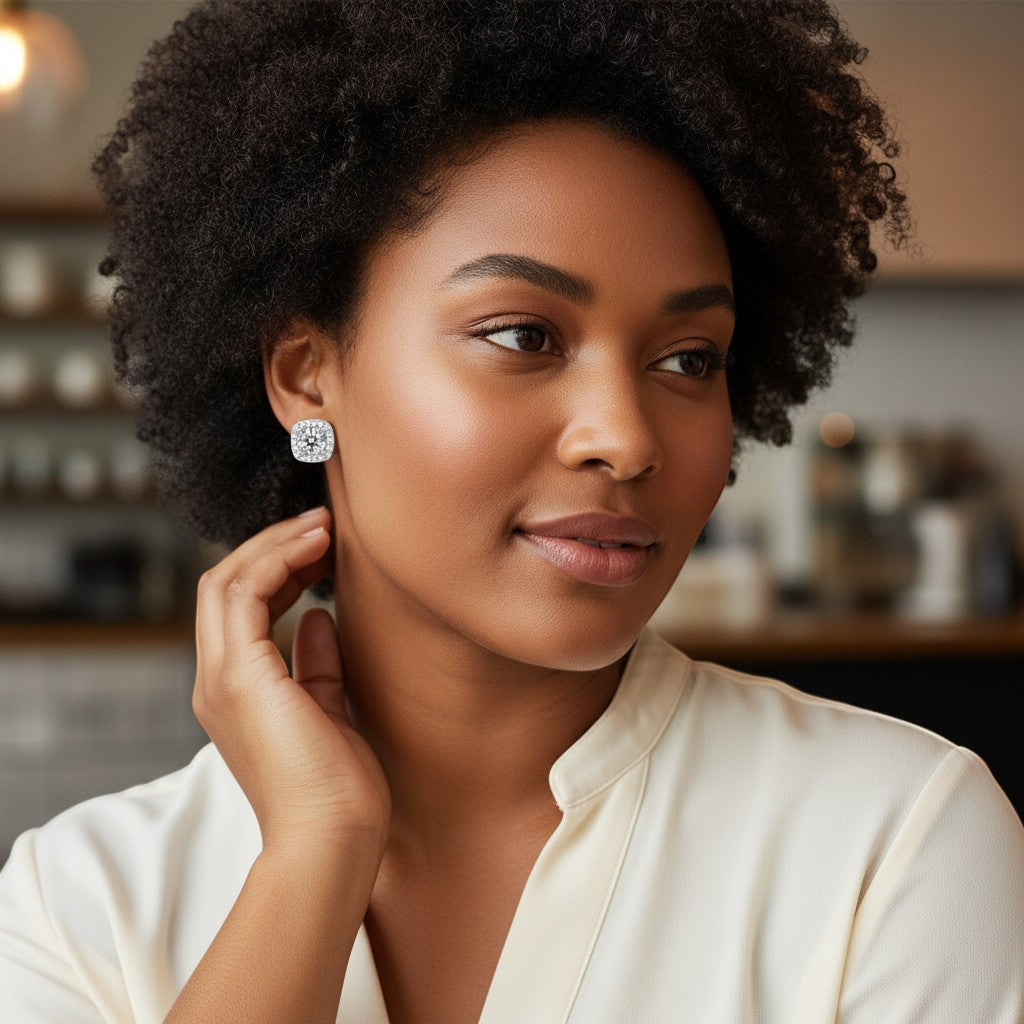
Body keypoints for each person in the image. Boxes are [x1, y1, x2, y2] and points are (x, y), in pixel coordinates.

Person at [1, 1, 1022, 1021]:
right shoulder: (77, 903)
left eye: (687, 358)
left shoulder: (892, 842)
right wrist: (316, 850)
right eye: (523, 335)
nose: (624, 438)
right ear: (309, 379)